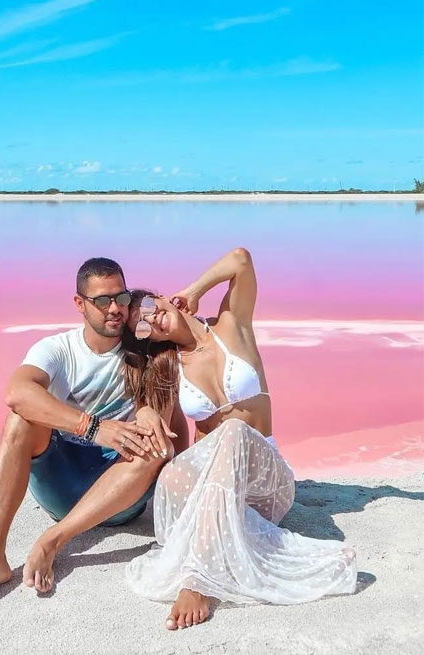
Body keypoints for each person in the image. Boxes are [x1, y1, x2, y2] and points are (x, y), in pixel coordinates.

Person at [121, 248, 358, 630]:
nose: (150, 318)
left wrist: (194, 290)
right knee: (171, 474)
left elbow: (241, 260)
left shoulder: (232, 325)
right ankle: (225, 542)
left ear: (161, 297)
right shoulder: (169, 366)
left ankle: (199, 579)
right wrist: (146, 411)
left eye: (148, 307)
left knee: (233, 430)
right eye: (142, 327)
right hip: (220, 486)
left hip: (265, 483)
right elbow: (157, 426)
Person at [0, 257, 189, 609]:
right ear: (80, 303)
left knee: (154, 444)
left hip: (120, 498)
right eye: (102, 300)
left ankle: (53, 540)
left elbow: (170, 431)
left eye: (121, 298)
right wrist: (94, 428)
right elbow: (17, 392)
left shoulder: (151, 353)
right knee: (19, 419)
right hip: (60, 488)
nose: (115, 308)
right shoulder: (59, 349)